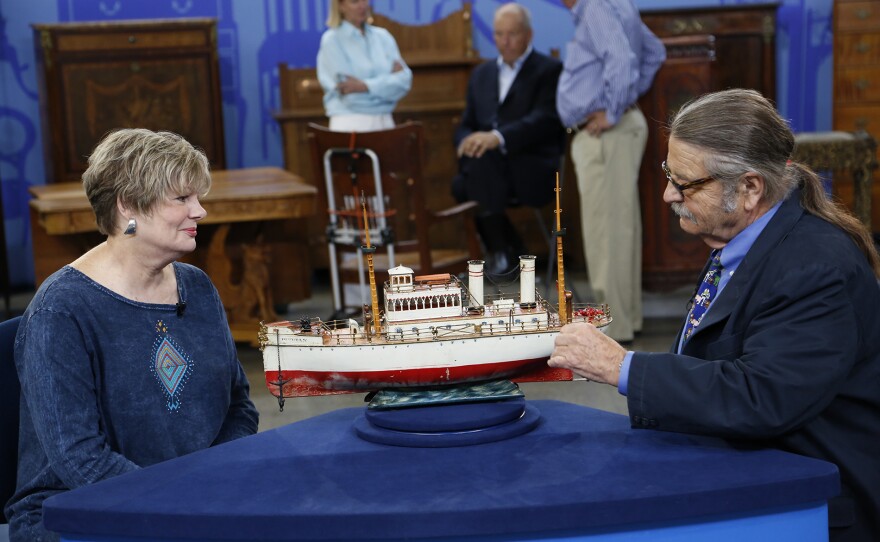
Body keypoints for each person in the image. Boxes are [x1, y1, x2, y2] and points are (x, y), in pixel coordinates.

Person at [549, 89, 880, 542]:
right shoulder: (747, 237)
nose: (668, 194)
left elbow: (760, 396)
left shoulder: (816, 268)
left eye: (684, 183)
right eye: (669, 173)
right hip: (753, 472)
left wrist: (621, 366)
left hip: (812, 506)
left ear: (748, 188)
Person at [5, 129, 260, 541]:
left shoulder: (197, 287)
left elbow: (240, 408)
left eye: (197, 198)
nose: (201, 212)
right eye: (182, 199)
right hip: (81, 511)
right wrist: (181, 504)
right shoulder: (61, 310)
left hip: (190, 500)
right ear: (127, 207)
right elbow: (79, 459)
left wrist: (211, 485)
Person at [556, 0, 665, 342]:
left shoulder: (596, 6)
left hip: (607, 133)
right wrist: (626, 99)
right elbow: (655, 51)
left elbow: (621, 58)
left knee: (607, 233)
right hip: (613, 131)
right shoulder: (612, 4)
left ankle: (612, 330)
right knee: (618, 230)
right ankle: (624, 320)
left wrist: (612, 109)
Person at [452, 3, 564, 275]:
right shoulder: (481, 74)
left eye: (512, 33)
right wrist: (465, 141)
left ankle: (501, 252)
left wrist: (497, 138)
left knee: (466, 181)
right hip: (490, 171)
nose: (505, 41)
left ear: (528, 34)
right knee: (476, 168)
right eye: (499, 34)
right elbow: (466, 123)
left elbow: (545, 120)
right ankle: (506, 250)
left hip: (532, 167)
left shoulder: (549, 70)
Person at [316, 0, 412, 132]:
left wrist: (364, 86)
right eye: (355, 1)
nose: (363, 5)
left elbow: (404, 82)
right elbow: (348, 95)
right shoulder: (332, 40)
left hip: (386, 121)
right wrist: (386, 88)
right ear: (340, 6)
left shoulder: (383, 37)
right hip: (350, 122)